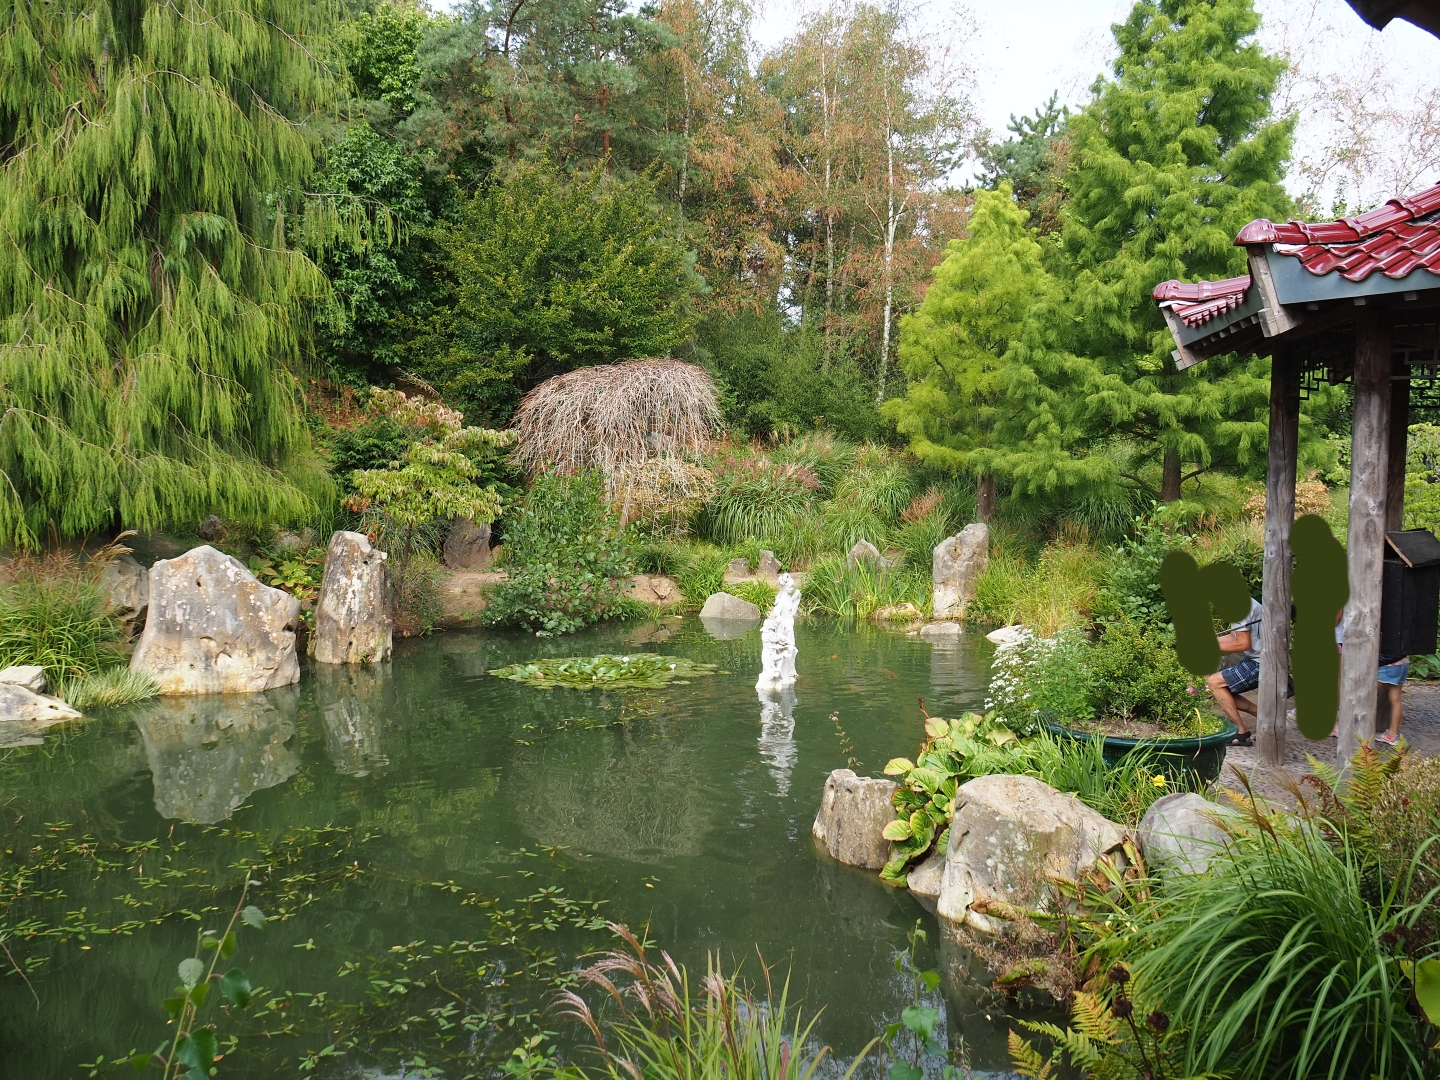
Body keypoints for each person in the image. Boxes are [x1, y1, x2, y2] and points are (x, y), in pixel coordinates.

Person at [1204, 594, 1263, 746]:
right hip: (1259, 658)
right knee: (1219, 687)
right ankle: (1264, 715)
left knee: (1214, 683)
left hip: (1262, 663)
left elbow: (1242, 644)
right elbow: (1233, 637)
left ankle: (1240, 732)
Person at [1376, 654, 1409, 746]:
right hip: (1403, 663)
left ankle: (1359, 730)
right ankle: (1392, 734)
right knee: (1396, 700)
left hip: (1388, 666)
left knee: (1366, 693)